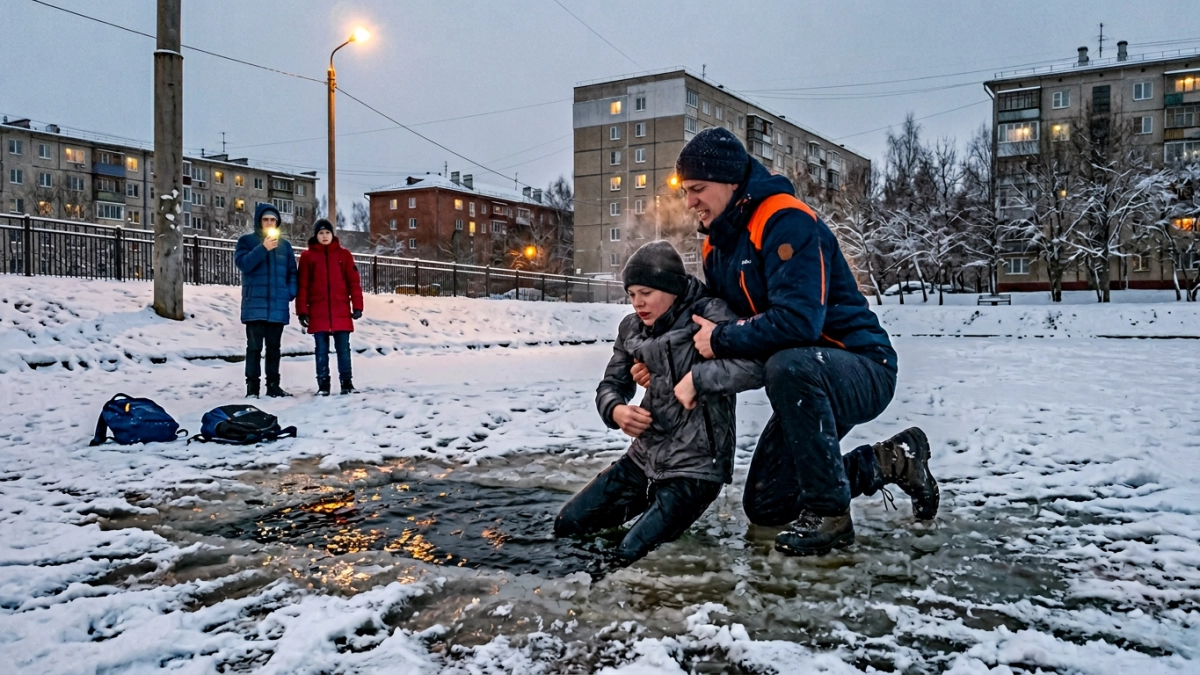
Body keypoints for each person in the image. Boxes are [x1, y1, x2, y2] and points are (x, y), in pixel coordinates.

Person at [670, 127, 939, 557]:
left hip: (861, 366)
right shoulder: (715, 247)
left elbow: (799, 322)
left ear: (730, 181)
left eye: (697, 189)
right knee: (768, 506)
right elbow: (711, 321)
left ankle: (832, 516)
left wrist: (720, 340)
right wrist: (656, 354)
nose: (690, 202)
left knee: (788, 364)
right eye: (685, 191)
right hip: (802, 376)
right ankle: (894, 460)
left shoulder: (785, 220)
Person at [555, 241, 762, 563]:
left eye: (646, 292)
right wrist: (616, 410)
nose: (637, 302)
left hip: (696, 468)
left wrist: (697, 379)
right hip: (643, 457)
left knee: (630, 552)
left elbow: (755, 366)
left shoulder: (709, 315)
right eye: (631, 294)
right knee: (569, 524)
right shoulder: (632, 328)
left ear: (672, 288)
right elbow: (611, 384)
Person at [234, 203, 298, 398]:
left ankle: (273, 386)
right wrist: (263, 248)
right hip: (255, 306)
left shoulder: (285, 246)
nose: (269, 223)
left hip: (277, 306)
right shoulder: (246, 241)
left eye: (272, 220)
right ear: (259, 221)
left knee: (274, 349)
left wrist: (289, 293)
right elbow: (243, 264)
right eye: (265, 219)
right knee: (254, 348)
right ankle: (252, 388)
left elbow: (292, 273)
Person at [295, 218, 364, 395]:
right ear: (315, 235)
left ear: (332, 234)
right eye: (321, 233)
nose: (324, 236)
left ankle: (347, 383)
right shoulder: (308, 257)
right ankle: (323, 385)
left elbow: (353, 282)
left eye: (327, 233)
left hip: (340, 309)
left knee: (343, 350)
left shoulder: (344, 255)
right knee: (321, 350)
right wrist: (302, 311)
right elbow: (302, 285)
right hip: (318, 310)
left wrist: (357, 306)